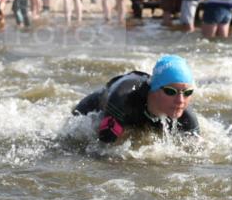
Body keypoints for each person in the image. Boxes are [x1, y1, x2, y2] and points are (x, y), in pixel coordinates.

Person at [72, 55, 200, 143]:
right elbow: (104, 149)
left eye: (188, 92)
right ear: (154, 89)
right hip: (93, 109)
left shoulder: (185, 114)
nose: (180, 101)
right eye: (170, 91)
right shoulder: (124, 98)